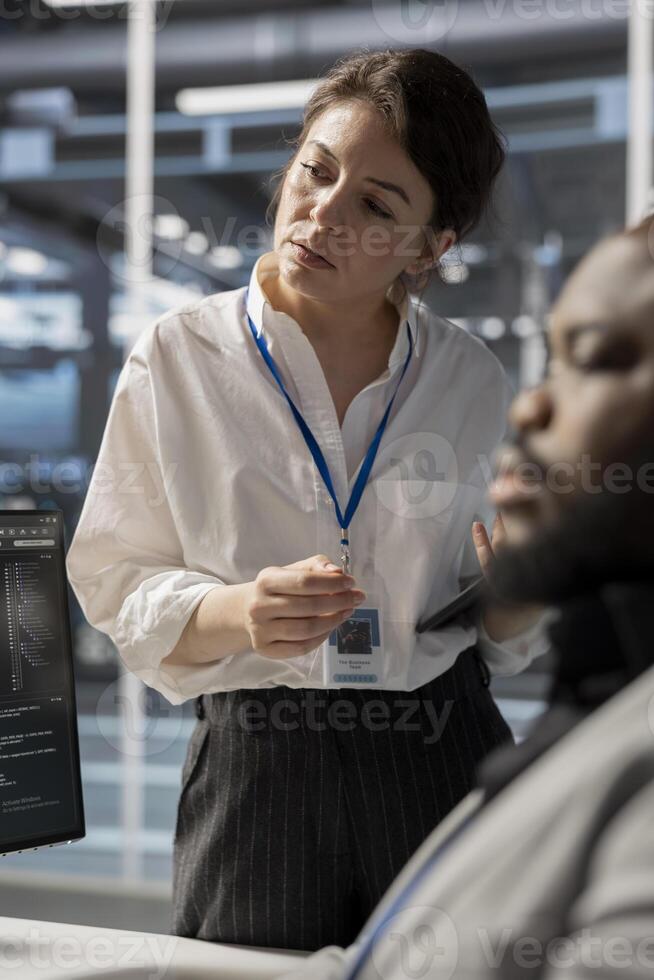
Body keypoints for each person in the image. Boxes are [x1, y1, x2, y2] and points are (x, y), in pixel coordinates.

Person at [65, 47, 549, 952]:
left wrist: (513, 601)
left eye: (376, 204)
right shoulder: (177, 357)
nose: (322, 213)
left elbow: (495, 625)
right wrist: (236, 611)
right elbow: (111, 581)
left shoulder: (470, 380)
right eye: (315, 172)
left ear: (431, 246)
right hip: (258, 765)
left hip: (439, 744)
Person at [277, 216, 654, 978]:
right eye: (553, 361)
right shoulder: (605, 701)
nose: (530, 410)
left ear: (432, 244)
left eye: (597, 360)